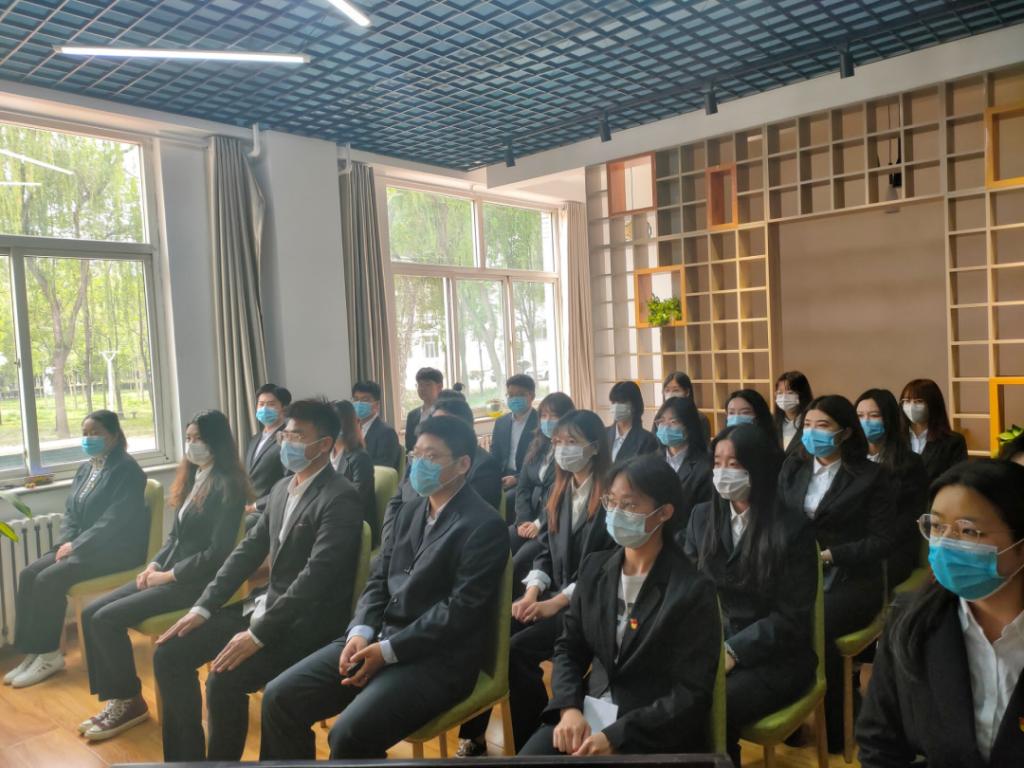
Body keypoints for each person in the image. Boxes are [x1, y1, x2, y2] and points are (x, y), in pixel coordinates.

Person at [259, 416, 508, 760]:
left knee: (348, 735)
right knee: (280, 697)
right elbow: (378, 579)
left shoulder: (484, 525)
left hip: (435, 660)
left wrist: (388, 651)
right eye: (416, 455)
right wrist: (360, 632)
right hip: (377, 638)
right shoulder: (410, 510)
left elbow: (458, 612)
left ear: (463, 464)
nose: (419, 464)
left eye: (432, 457)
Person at [152, 398, 365, 762]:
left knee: (222, 678)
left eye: (297, 436)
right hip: (264, 606)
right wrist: (203, 607)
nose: (287, 442)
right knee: (169, 653)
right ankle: (187, 760)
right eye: (285, 435)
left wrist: (257, 634)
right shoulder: (282, 488)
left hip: (305, 623)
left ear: (324, 445)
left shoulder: (340, 497)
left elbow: (316, 578)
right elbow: (246, 552)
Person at [520, 455, 721, 756]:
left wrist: (616, 737)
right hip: (589, 712)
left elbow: (690, 693)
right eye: (611, 502)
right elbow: (568, 649)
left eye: (629, 505)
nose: (615, 513)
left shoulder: (691, 589)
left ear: (664, 512)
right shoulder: (594, 568)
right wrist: (569, 708)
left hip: (651, 730)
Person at [78, 410, 249, 740]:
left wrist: (169, 576)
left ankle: (129, 701)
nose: (192, 445)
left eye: (199, 439)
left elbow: (216, 554)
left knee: (106, 619)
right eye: (188, 438)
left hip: (196, 582)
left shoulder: (228, 486)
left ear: (216, 442)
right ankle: (119, 698)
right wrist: (154, 565)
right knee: (90, 614)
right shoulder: (194, 477)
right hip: (169, 572)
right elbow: (174, 538)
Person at [459, 409, 615, 755]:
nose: (562, 449)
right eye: (557, 442)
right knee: (494, 632)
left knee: (518, 651)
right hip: (554, 595)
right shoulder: (560, 490)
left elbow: (606, 566)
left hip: (592, 602)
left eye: (571, 442)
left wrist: (555, 602)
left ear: (593, 446)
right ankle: (476, 732)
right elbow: (545, 551)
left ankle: (534, 737)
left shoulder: (610, 495)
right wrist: (531, 593)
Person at [857, 460, 1024, 768]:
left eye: (969, 531)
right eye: (936, 526)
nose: (946, 544)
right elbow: (879, 742)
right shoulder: (910, 620)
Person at [683, 425, 817, 766]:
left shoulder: (793, 528)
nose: (723, 472)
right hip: (713, 642)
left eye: (734, 464)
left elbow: (791, 618)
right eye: (717, 463)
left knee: (712, 706)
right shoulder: (702, 517)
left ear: (758, 468)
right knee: (667, 696)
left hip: (777, 655)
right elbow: (686, 587)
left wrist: (734, 650)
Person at [777, 394, 897, 752]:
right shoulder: (793, 468)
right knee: (769, 618)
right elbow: (776, 519)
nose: (812, 432)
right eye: (808, 425)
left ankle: (838, 721)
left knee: (816, 624)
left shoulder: (872, 477)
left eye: (823, 425)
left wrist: (832, 555)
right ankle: (788, 714)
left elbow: (882, 541)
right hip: (797, 573)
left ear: (845, 432)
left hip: (852, 577)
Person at [5, 410, 147, 689]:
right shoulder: (87, 468)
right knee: (29, 574)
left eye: (96, 433)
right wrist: (66, 542)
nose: (89, 438)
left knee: (48, 579)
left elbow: (114, 520)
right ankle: (34, 652)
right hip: (83, 546)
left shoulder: (128, 470)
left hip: (116, 550)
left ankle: (50, 657)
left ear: (114, 435)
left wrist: (76, 545)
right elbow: (70, 511)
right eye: (85, 433)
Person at [379, 396, 502, 548]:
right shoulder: (408, 510)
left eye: (445, 425)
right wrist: (390, 539)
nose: (435, 429)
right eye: (416, 454)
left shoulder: (483, 467)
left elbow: (466, 518)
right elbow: (396, 502)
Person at [855, 389, 929, 587]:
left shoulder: (910, 463)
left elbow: (910, 516)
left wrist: (873, 544)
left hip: (892, 548)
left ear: (889, 419)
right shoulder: (851, 461)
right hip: (854, 544)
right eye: (860, 416)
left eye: (874, 416)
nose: (865, 422)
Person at [510, 393, 575, 587]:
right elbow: (523, 486)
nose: (547, 421)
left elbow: (563, 494)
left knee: (517, 563)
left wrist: (539, 523)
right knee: (497, 543)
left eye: (554, 416)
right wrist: (523, 519)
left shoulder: (570, 452)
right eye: (544, 416)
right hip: (529, 517)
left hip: (551, 523)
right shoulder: (537, 444)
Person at [652, 395, 713, 531]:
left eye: (673, 422)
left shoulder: (705, 467)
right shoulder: (651, 461)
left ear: (689, 426)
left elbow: (702, 517)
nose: (665, 427)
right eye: (661, 421)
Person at [899, 378, 968, 482]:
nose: (912, 406)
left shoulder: (953, 442)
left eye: (919, 401)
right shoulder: (895, 439)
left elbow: (957, 480)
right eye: (907, 401)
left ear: (933, 404)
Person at [490, 374, 540, 517]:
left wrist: (517, 478)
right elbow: (494, 453)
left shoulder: (540, 422)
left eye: (520, 394)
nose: (514, 399)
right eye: (511, 395)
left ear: (532, 396)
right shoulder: (501, 422)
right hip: (502, 474)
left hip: (528, 477)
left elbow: (541, 460)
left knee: (508, 499)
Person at [243, 383, 291, 529]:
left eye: (271, 404)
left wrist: (256, 505)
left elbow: (289, 482)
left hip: (268, 509)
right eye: (261, 404)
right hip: (247, 507)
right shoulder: (254, 439)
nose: (264, 409)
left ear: (283, 408)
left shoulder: (288, 438)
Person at [331, 400, 378, 546]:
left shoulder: (359, 457)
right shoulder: (325, 455)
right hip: (331, 521)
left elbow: (356, 500)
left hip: (353, 527)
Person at [352, 380, 402, 471]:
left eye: (365, 400)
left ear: (377, 404)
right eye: (356, 399)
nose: (359, 404)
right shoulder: (350, 430)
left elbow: (383, 469)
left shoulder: (387, 433)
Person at [607, 381, 659, 462]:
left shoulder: (647, 440)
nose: (616, 406)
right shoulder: (603, 434)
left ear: (634, 405)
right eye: (613, 402)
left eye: (622, 402)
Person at [662, 371, 711, 443]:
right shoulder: (660, 417)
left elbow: (703, 445)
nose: (671, 394)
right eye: (667, 390)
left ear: (687, 392)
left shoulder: (700, 418)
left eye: (676, 390)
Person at [404, 367, 444, 453]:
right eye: (420, 385)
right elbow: (409, 447)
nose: (422, 388)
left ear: (439, 387)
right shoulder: (412, 415)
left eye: (428, 384)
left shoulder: (445, 413)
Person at [773, 371, 813, 453]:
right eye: (780, 393)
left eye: (790, 393)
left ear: (802, 394)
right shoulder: (772, 422)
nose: (784, 397)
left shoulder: (811, 423)